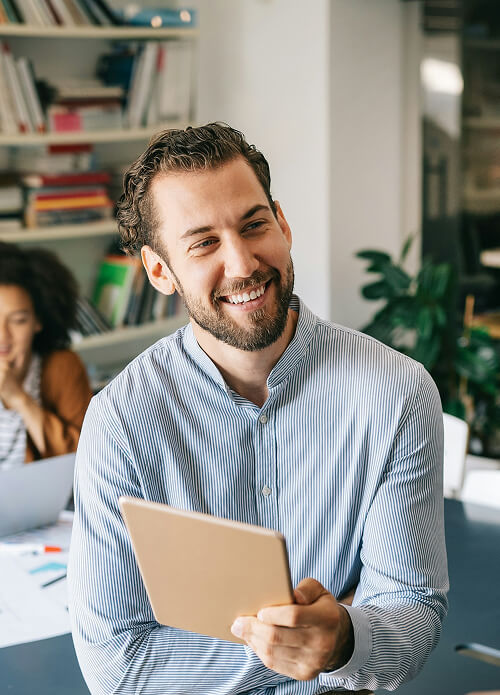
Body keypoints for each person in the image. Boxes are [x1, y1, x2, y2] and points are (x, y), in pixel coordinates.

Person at [68, 123, 449, 695]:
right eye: (203, 243)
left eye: (254, 225)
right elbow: (115, 665)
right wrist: (310, 651)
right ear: (158, 271)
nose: (243, 263)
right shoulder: (119, 423)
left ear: (283, 223)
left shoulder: (397, 393)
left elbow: (412, 612)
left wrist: (346, 636)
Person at [0, 242, 92, 468]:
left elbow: (86, 457)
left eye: (19, 320)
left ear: (38, 321)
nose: (3, 335)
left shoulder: (62, 366)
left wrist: (19, 399)